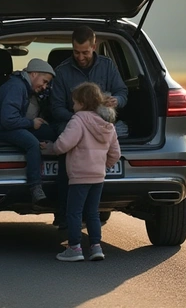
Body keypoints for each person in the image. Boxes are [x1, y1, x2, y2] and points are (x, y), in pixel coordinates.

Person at [50, 25, 128, 228]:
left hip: (103, 123)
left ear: (95, 46)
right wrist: (81, 120)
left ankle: (92, 209)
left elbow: (123, 92)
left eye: (85, 52)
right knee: (65, 151)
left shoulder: (108, 66)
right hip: (71, 123)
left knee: (123, 131)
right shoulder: (62, 71)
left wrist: (117, 100)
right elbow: (55, 108)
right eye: (76, 52)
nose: (80, 56)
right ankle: (65, 214)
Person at [42, 82, 121, 262]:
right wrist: (103, 166)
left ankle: (74, 248)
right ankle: (96, 247)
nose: (72, 106)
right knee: (93, 213)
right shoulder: (107, 124)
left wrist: (50, 148)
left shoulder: (78, 120)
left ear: (83, 103)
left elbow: (63, 144)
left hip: (79, 175)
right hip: (98, 176)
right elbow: (116, 153)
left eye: (75, 102)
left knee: (74, 212)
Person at [0, 58, 57, 206]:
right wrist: (31, 123)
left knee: (49, 132)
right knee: (31, 143)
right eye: (44, 81)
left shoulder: (23, 86)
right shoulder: (16, 87)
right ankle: (35, 187)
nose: (44, 86)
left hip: (11, 126)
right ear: (34, 74)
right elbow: (8, 120)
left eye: (46, 84)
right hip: (0, 129)